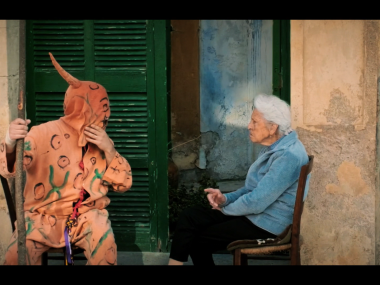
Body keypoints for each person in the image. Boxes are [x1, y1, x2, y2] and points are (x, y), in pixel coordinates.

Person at [0, 53, 132, 265]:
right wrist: (9, 142)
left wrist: (109, 149)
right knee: (16, 254)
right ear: (81, 108)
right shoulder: (42, 133)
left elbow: (124, 184)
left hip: (86, 216)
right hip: (42, 215)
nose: (107, 115)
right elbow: (9, 169)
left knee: (105, 243)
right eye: (102, 108)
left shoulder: (101, 141)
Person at [168, 94, 310, 265]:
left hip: (267, 224)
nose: (249, 126)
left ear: (272, 127)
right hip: (257, 214)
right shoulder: (276, 146)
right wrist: (226, 199)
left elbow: (257, 201)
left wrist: (225, 209)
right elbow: (252, 190)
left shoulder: (287, 156)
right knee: (190, 216)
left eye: (255, 122)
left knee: (198, 240)